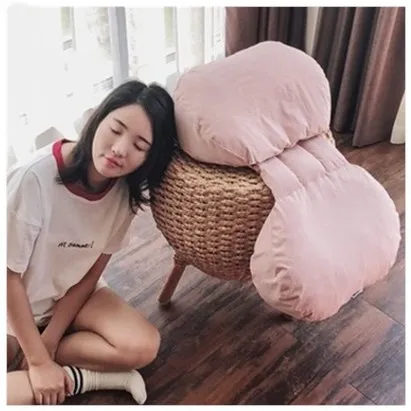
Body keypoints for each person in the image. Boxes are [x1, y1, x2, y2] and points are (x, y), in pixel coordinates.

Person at [7, 79, 178, 405]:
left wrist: (50, 341)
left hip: (71, 295)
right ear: (97, 119)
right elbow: (8, 276)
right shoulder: (33, 178)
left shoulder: (124, 195)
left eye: (140, 145)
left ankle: (50, 368)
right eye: (115, 129)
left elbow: (89, 275)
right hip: (12, 306)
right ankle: (82, 377)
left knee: (143, 347)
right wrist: (39, 361)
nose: (120, 149)